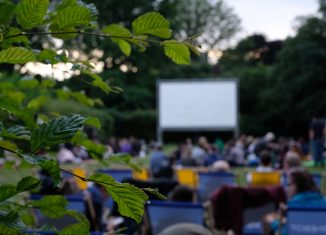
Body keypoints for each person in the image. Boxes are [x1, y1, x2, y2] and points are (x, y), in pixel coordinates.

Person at [264, 170, 326, 235]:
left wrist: (274, 223)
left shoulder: (292, 207)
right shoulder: (324, 202)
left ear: (298, 186)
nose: (287, 188)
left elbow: (286, 232)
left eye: (289, 185)